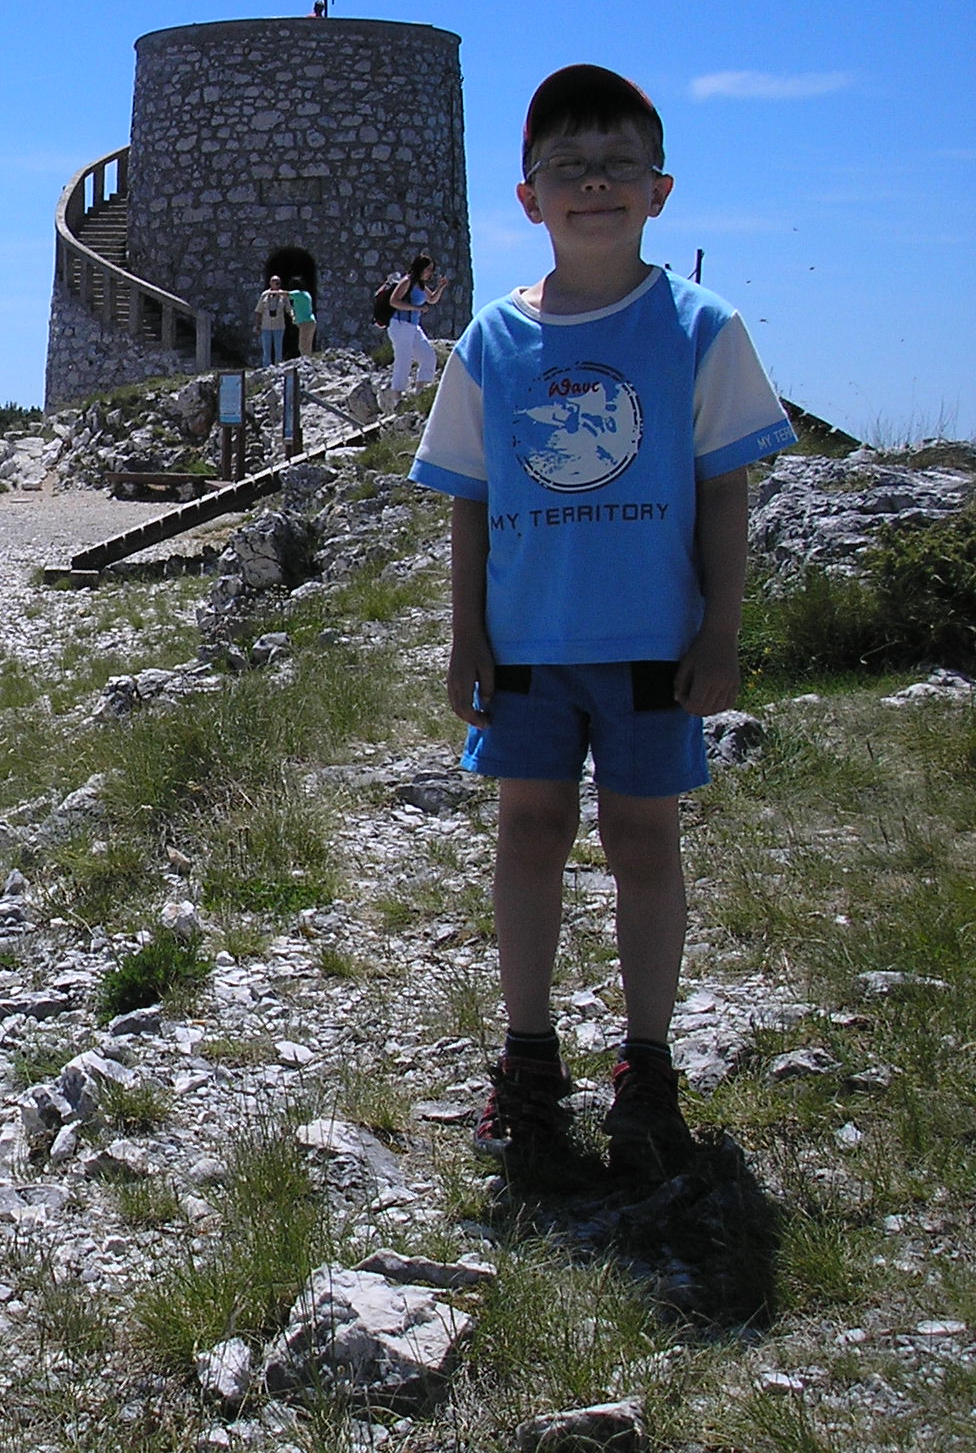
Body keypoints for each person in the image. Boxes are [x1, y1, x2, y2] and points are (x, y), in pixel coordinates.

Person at [407, 64, 797, 1185]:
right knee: (525, 835)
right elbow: (470, 497)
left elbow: (725, 487)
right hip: (526, 642)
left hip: (648, 643)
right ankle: (528, 1059)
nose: (592, 183)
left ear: (658, 188)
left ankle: (647, 1063)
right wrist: (463, 633)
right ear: (526, 197)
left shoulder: (697, 329)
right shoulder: (490, 339)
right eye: (565, 167)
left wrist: (720, 629)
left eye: (616, 164)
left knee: (641, 843)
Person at [385, 253, 448, 399]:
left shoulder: (420, 285)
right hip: (400, 325)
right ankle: (397, 396)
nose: (430, 273)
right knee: (403, 359)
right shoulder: (407, 281)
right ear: (421, 268)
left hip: (412, 326)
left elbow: (431, 299)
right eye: (429, 269)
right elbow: (394, 301)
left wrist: (440, 287)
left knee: (428, 356)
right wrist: (416, 308)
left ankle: (420, 391)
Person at [254, 274, 290, 368]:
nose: (276, 284)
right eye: (274, 282)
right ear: (270, 283)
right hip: (266, 326)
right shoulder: (264, 295)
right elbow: (258, 311)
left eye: (278, 282)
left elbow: (289, 309)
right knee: (266, 350)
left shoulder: (283, 295)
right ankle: (266, 368)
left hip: (279, 326)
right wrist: (257, 325)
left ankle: (278, 367)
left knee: (278, 349)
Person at [289, 281, 316, 357]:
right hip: (310, 321)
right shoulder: (306, 294)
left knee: (303, 345)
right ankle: (308, 359)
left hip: (305, 322)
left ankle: (305, 361)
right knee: (308, 344)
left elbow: (285, 294)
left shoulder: (298, 294)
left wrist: (271, 292)